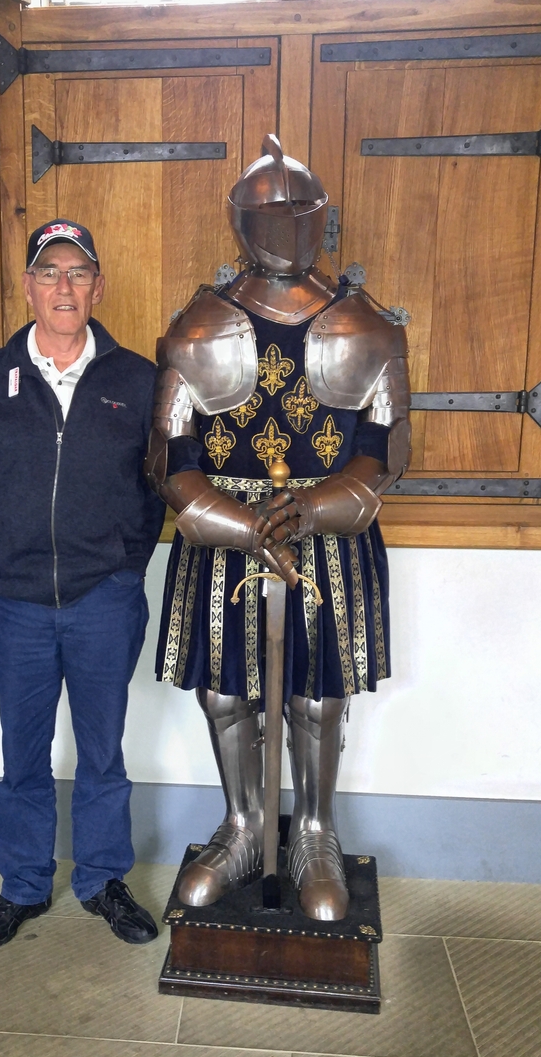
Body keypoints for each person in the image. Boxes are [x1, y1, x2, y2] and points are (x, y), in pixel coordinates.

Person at [146, 136, 410, 922]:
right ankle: (243, 823)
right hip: (225, 543)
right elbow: (170, 460)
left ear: (322, 219)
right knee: (228, 694)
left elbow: (385, 453)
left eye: (300, 210)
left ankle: (317, 832)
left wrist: (315, 506)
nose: (286, 225)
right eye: (270, 211)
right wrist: (233, 520)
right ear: (241, 221)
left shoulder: (367, 324)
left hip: (326, 540)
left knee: (316, 698)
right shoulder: (196, 326)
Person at [0, 219, 165, 948]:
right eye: (49, 272)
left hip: (102, 597)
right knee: (24, 754)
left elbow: (153, 491)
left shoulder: (137, 379)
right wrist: (7, 561)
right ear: (28, 287)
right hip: (16, 602)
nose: (63, 287)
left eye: (78, 273)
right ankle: (21, 886)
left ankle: (103, 879)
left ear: (97, 287)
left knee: (102, 749)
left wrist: (121, 567)